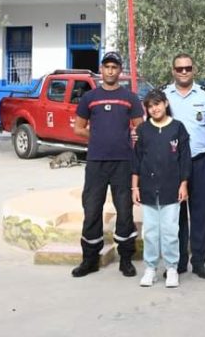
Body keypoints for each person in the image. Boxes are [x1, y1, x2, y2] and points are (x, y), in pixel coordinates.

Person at [70, 52, 145, 278]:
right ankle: (90, 260)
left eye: (114, 67)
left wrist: (127, 140)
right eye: (107, 66)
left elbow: (140, 128)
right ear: (101, 70)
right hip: (96, 162)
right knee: (92, 209)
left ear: (120, 71)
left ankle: (126, 260)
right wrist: (99, 137)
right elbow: (78, 128)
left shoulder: (130, 97)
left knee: (124, 211)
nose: (110, 71)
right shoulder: (89, 97)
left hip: (123, 162)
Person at [132, 89, 191, 288]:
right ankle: (150, 268)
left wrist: (183, 184)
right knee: (150, 232)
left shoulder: (177, 128)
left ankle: (172, 268)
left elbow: (184, 160)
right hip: (148, 189)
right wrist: (135, 187)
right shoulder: (143, 130)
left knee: (170, 231)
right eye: (150, 106)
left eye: (157, 104)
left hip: (171, 189)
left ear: (165, 104)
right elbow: (137, 160)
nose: (154, 109)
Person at [164, 53, 205, 279]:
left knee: (200, 213)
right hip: (173, 165)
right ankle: (179, 262)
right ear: (173, 71)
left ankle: (199, 261)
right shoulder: (164, 97)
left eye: (187, 68)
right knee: (176, 215)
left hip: (200, 162)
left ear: (194, 69)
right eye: (179, 68)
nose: (183, 72)